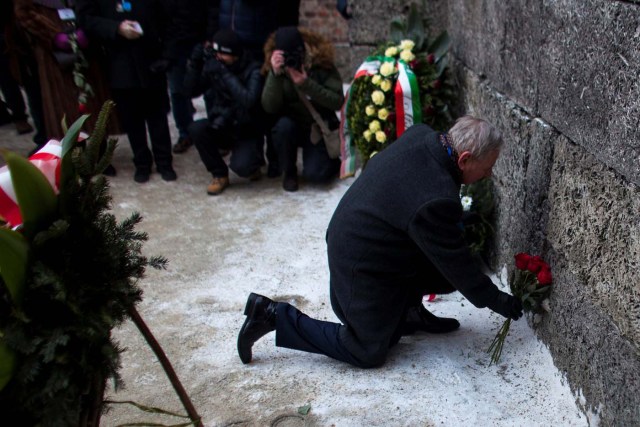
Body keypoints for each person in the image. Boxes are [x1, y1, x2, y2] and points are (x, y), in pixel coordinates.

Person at [237, 116, 524, 368]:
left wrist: (460, 219)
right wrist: (497, 300)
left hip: (372, 242)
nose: (488, 175)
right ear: (464, 160)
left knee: (442, 273)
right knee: (366, 350)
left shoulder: (424, 136)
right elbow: (458, 264)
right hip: (357, 263)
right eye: (487, 168)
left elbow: (408, 198)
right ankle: (273, 316)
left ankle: (409, 314)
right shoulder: (436, 196)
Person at [77, 0, 177, 183]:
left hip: (151, 58)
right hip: (119, 63)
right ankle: (142, 163)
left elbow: (169, 20)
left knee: (158, 116)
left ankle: (164, 162)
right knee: (132, 119)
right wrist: (116, 28)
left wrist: (168, 56)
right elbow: (86, 19)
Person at [12, 0, 118, 163]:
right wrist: (53, 36)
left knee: (94, 102)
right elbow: (24, 13)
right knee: (65, 107)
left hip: (86, 48)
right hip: (53, 54)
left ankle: (100, 153)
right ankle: (73, 155)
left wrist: (86, 29)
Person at [261, 26, 343, 192]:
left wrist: (307, 85)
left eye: (295, 54)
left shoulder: (320, 63)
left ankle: (331, 161)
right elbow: (269, 107)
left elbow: (337, 101)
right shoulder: (276, 68)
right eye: (286, 55)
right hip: (292, 127)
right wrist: (274, 75)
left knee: (317, 175)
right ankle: (289, 172)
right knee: (283, 127)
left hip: (317, 127)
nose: (291, 59)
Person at [186, 28, 264, 195]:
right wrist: (195, 64)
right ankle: (219, 174)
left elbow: (248, 99)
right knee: (196, 129)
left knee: (243, 168)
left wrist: (224, 73)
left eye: (222, 54)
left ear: (234, 54)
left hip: (246, 128)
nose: (218, 58)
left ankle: (253, 164)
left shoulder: (254, 69)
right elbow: (190, 91)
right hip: (222, 123)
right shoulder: (215, 67)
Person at [164, 0, 218, 155]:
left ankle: (217, 132)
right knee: (177, 92)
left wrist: (211, 36)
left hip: (203, 40)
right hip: (174, 45)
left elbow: (214, 9)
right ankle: (185, 133)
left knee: (210, 90)